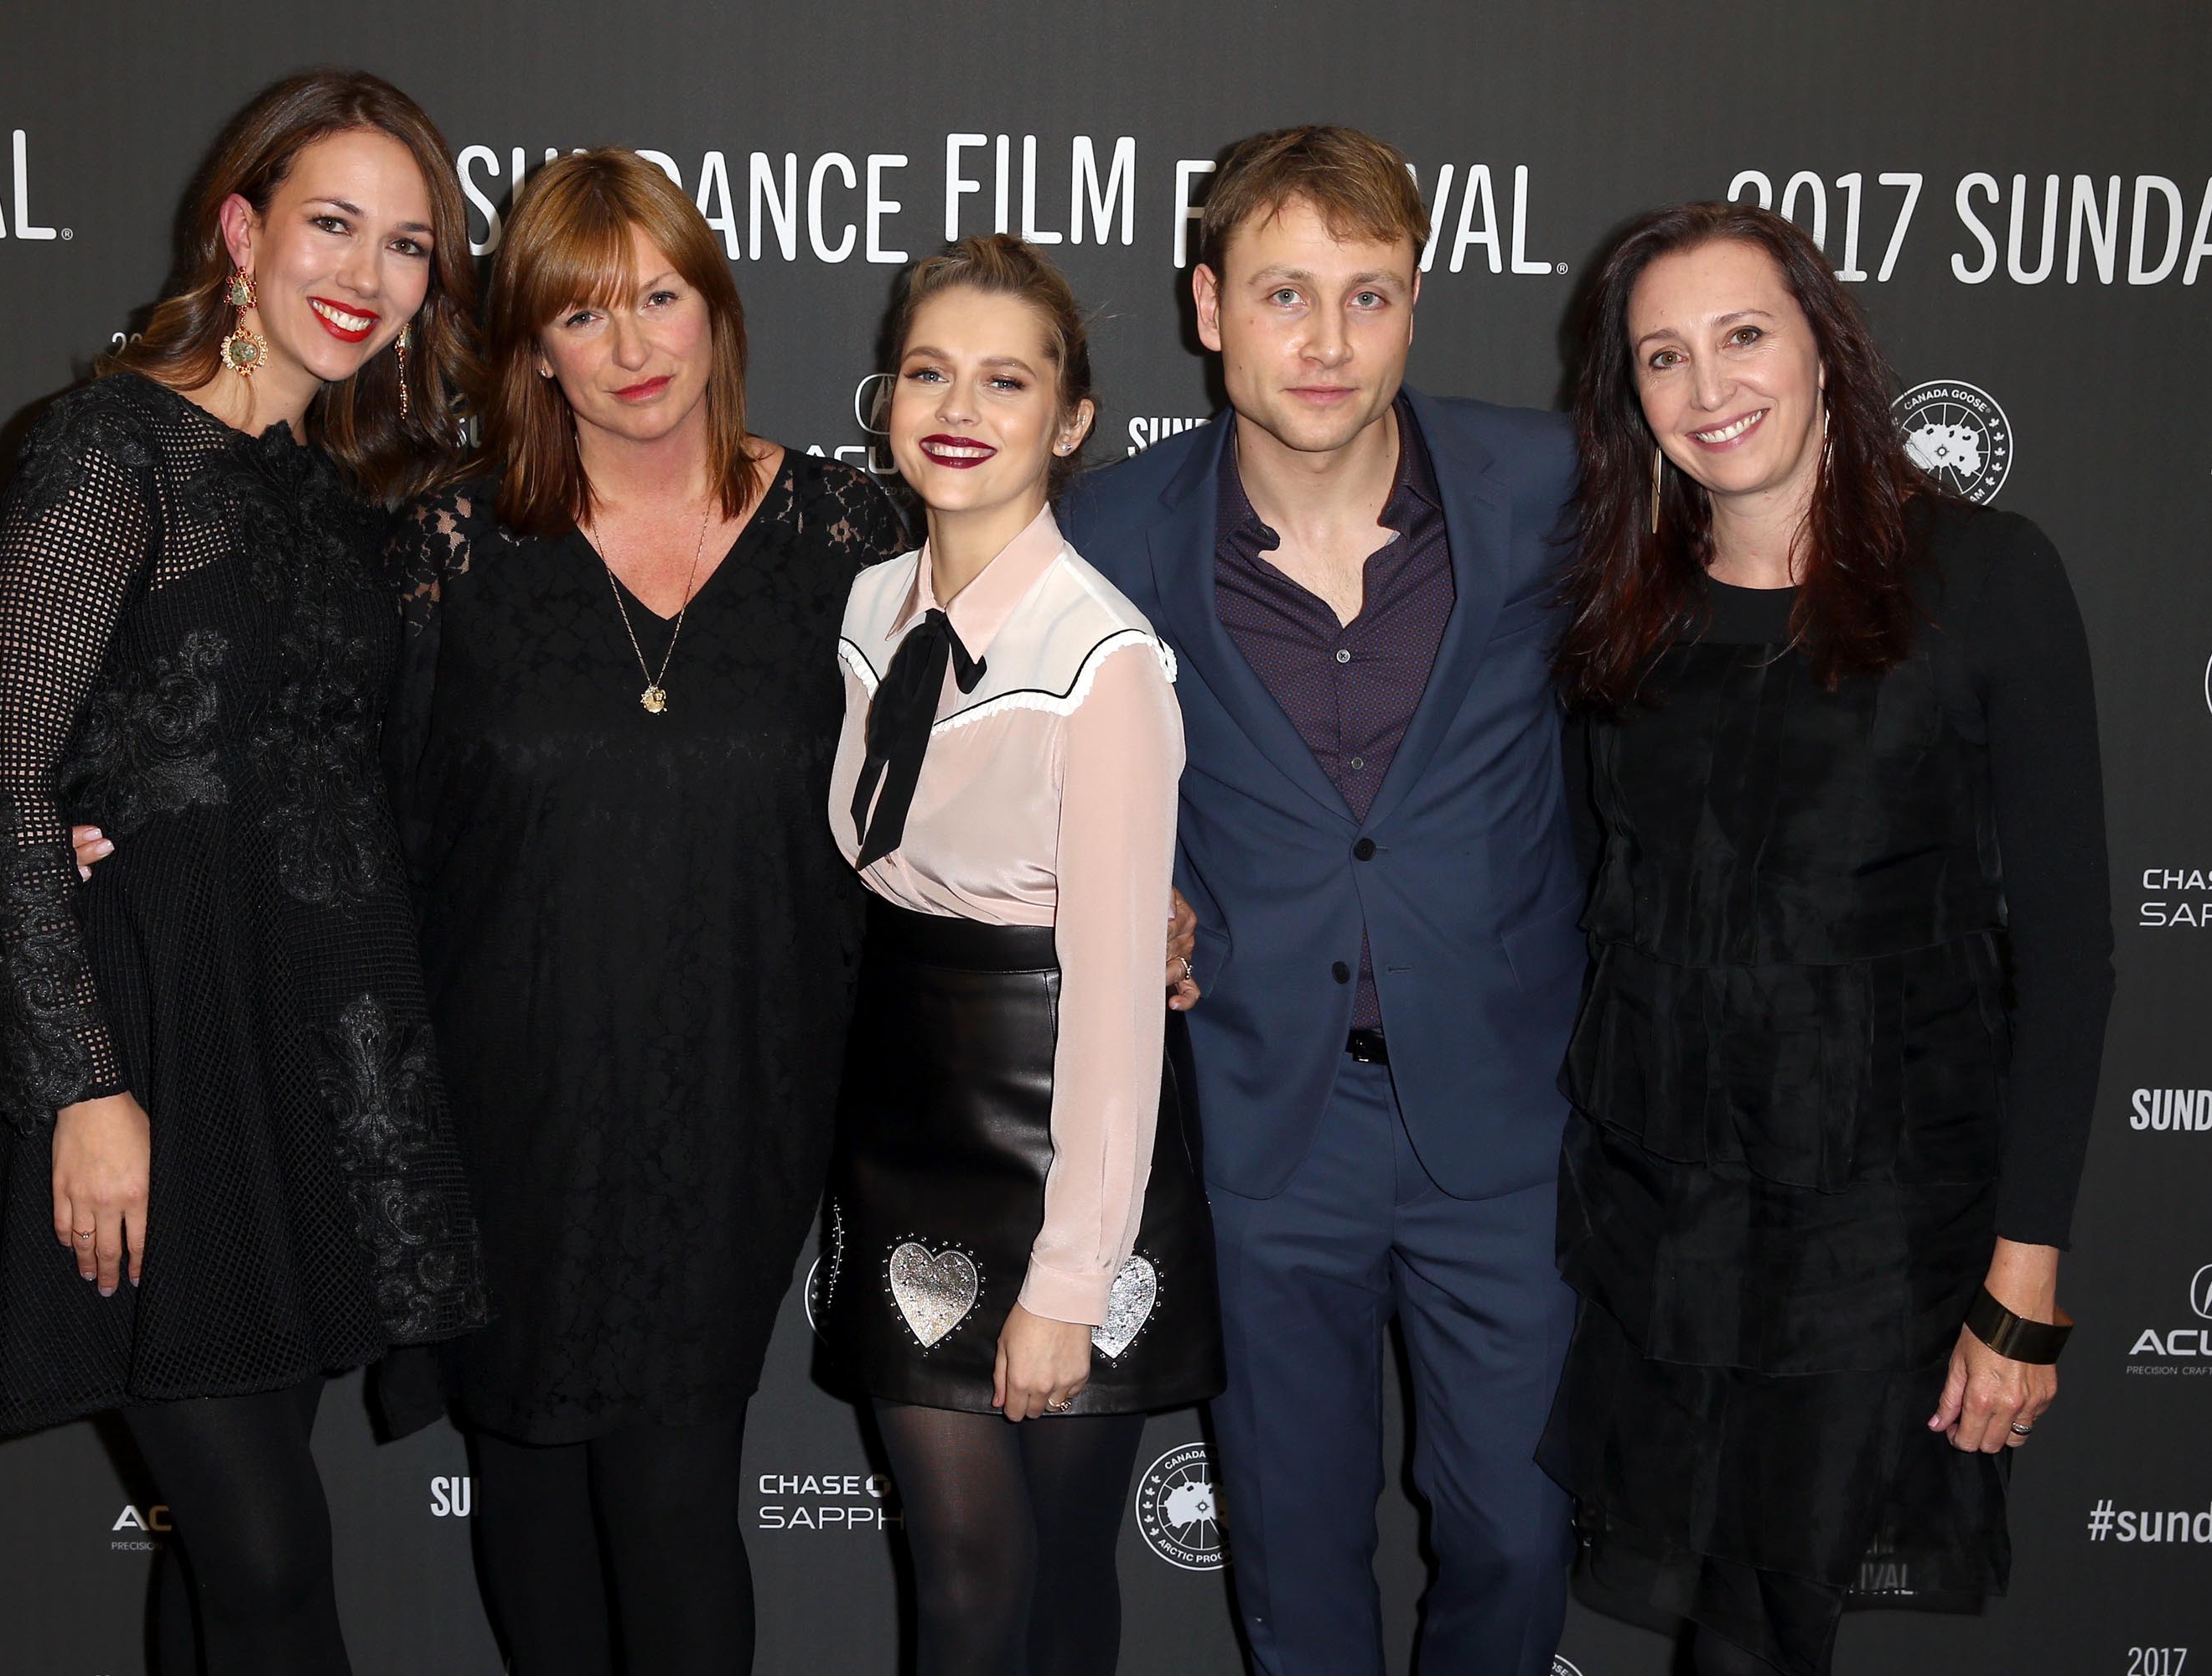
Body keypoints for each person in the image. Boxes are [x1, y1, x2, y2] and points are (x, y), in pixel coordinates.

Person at [0, 70, 488, 1676]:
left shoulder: (352, 499)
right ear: (239, 230)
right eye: (331, 224)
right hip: (143, 1050)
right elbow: (6, 782)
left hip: (296, 1060)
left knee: (228, 1554)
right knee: (272, 1556)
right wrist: (82, 1085)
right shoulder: (106, 449)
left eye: (408, 246)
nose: (365, 276)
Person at [1546, 202, 2112, 1676]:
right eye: (1662, 357)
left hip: (1881, 1225)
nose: (1708, 387)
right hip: (1664, 1217)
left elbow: (2068, 952)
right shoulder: (1625, 609)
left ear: (1822, 347)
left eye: (1743, 336)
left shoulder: (1984, 577)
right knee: (1733, 1618)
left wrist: (2025, 1277)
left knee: (1765, 1623)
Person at [1057, 127, 1587, 1674]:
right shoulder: (1109, 533)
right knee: (1295, 1558)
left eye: (1369, 296)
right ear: (1209, 305)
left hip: (1504, 1121)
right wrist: (1124, 891)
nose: (1329, 342)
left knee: (1518, 1534)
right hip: (1266, 1123)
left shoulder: (1549, 484)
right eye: (1287, 294)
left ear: (1416, 305)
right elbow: (1021, 776)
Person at [377, 149, 904, 1676]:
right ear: (531, 343)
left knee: (677, 1504)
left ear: (716, 305)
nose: (634, 351)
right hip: (504, 1120)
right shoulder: (448, 553)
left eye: (661, 298)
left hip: (734, 1104)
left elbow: (1002, 743)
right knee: (529, 1502)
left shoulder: (854, 537)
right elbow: (347, 807)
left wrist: (1145, 889)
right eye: (586, 316)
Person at [820, 232, 1225, 1676]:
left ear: (1071, 423)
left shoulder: (1104, 660)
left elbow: (1121, 1001)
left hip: (1068, 1145)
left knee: (1039, 1592)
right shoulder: (869, 610)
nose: (961, 408)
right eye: (930, 371)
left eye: (1007, 380)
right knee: (964, 1580)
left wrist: (1069, 1277)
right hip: (901, 1131)